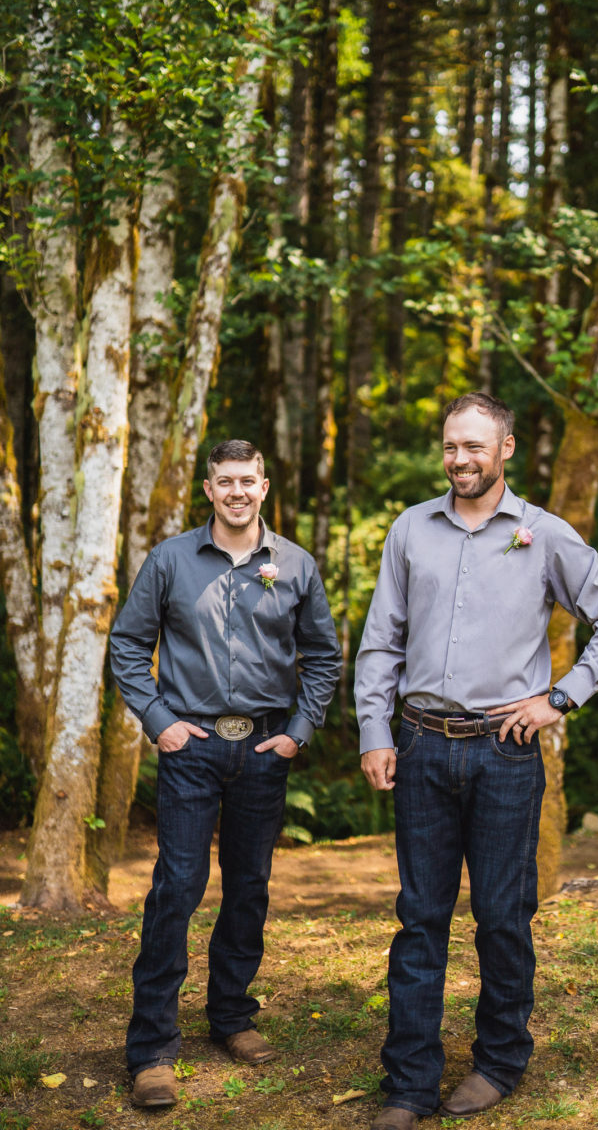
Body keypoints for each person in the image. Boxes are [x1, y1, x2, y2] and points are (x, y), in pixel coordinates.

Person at [355, 392, 598, 1130]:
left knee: (503, 917)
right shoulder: (410, 529)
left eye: (475, 447)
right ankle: (409, 1084)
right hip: (419, 746)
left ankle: (499, 1062)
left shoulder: (542, 535)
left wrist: (561, 697)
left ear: (505, 448)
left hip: (505, 753)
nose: (461, 460)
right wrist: (374, 732)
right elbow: (382, 639)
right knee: (420, 918)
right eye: (452, 446)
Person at [110, 439, 340, 1108]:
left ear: (264, 487)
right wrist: (161, 721)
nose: (237, 491)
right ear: (208, 490)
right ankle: (152, 1048)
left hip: (264, 749)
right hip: (191, 747)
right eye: (225, 482)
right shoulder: (170, 560)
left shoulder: (295, 564)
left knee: (248, 886)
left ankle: (232, 1016)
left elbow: (323, 655)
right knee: (177, 887)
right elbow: (128, 644)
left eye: (248, 480)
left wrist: (299, 730)